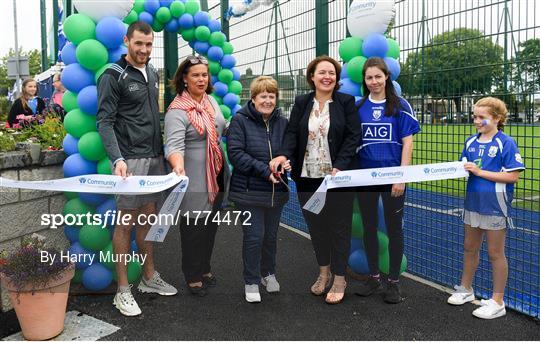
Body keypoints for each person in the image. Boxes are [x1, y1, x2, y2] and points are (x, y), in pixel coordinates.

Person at [97, 21, 177, 317]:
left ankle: (148, 278)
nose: (144, 50)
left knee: (148, 220)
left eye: (148, 44)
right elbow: (104, 122)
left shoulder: (153, 71)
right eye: (138, 44)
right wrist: (118, 159)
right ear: (126, 41)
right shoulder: (112, 74)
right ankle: (122, 291)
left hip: (155, 158)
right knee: (125, 224)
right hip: (130, 161)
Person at [270, 56, 361, 304]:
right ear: (312, 76)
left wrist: (340, 165)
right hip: (308, 178)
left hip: (338, 179)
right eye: (322, 72)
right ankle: (324, 273)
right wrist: (284, 154)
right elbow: (291, 134)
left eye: (331, 73)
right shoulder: (301, 103)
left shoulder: (346, 102)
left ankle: (340, 278)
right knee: (317, 228)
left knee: (340, 229)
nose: (327, 77)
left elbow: (353, 137)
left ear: (337, 78)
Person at [447, 97, 524, 319]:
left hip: (495, 205)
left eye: (482, 117)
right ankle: (466, 289)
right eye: (475, 117)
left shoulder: (505, 142)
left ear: (497, 119)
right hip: (473, 203)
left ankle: (498, 300)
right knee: (469, 247)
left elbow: (512, 176)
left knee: (494, 253)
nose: (477, 121)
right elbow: (463, 168)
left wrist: (480, 172)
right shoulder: (471, 142)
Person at [353, 57, 420, 304]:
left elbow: (408, 143)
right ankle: (373, 277)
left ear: (386, 77)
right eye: (369, 78)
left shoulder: (401, 105)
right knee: (369, 228)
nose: (374, 82)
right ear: (365, 80)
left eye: (378, 77)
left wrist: (401, 177)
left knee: (394, 229)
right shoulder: (359, 108)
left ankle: (393, 282)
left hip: (394, 179)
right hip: (365, 179)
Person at [164, 55, 228, 297]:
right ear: (184, 79)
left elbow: (222, 127)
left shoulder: (211, 101)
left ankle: (204, 267)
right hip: (193, 177)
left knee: (210, 225)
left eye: (204, 75)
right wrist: (178, 166)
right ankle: (192, 275)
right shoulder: (177, 110)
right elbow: (173, 145)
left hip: (218, 173)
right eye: (195, 75)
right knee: (193, 227)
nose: (202, 79)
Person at [227, 76, 290, 303]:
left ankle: (268, 273)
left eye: (271, 96)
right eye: (263, 95)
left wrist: (285, 160)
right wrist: (265, 171)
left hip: (276, 192)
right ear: (253, 98)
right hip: (248, 192)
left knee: (271, 237)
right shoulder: (240, 121)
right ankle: (251, 280)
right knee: (254, 236)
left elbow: (289, 149)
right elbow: (236, 153)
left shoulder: (283, 123)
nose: (268, 100)